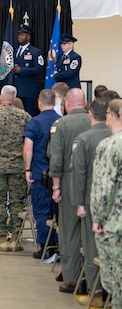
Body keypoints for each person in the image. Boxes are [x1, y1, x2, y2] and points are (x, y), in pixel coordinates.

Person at [48, 88, 91, 294]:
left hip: (68, 180)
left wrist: (56, 187)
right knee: (91, 232)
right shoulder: (96, 122)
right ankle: (94, 282)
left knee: (69, 231)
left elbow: (55, 159)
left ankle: (72, 278)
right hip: (93, 182)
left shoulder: (61, 124)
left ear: (66, 103)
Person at [71, 98, 111, 307]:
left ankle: (94, 292)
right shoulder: (114, 136)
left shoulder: (84, 139)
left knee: (91, 248)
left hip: (91, 199)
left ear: (90, 114)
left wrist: (79, 203)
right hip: (114, 203)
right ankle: (109, 293)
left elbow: (79, 173)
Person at [0, 85, 31, 251]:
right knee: (17, 203)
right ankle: (15, 240)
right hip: (18, 166)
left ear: (1, 98)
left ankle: (2, 239)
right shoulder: (25, 116)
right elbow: (28, 143)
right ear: (14, 97)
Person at [22, 89, 61, 259]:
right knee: (57, 214)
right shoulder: (61, 121)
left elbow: (28, 147)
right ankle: (59, 245)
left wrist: (27, 169)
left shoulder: (34, 122)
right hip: (58, 175)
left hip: (39, 173)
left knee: (41, 212)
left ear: (39, 102)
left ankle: (45, 248)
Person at [91, 98, 122, 309]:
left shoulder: (110, 145)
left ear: (111, 116)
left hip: (115, 224)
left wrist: (98, 218)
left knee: (117, 283)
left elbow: (104, 188)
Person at [10, 25, 45, 116]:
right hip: (16, 90)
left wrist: (22, 70)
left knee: (28, 116)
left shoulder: (35, 52)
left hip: (28, 91)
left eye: (22, 34)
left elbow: (39, 68)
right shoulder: (16, 50)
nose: (19, 36)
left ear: (28, 36)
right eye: (19, 34)